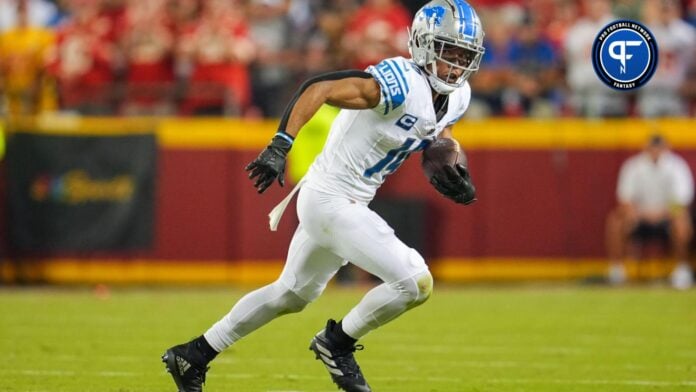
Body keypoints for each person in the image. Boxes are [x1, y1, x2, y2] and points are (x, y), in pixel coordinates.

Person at [162, 1, 483, 391]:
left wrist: (456, 164)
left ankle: (193, 354)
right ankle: (338, 343)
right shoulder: (402, 80)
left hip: (348, 202)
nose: (455, 64)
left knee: (291, 294)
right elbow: (321, 88)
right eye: (447, 52)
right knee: (415, 282)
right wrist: (281, 144)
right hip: (330, 198)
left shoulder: (458, 95)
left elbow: (441, 132)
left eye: (463, 56)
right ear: (422, 45)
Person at [606, 134, 694, 289]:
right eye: (652, 147)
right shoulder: (633, 166)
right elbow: (625, 198)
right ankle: (617, 270)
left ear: (666, 148)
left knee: (681, 221)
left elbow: (681, 201)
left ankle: (681, 269)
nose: (655, 151)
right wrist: (635, 214)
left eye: (658, 147)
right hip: (638, 218)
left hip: (667, 217)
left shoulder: (677, 166)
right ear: (645, 147)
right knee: (615, 221)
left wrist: (661, 214)